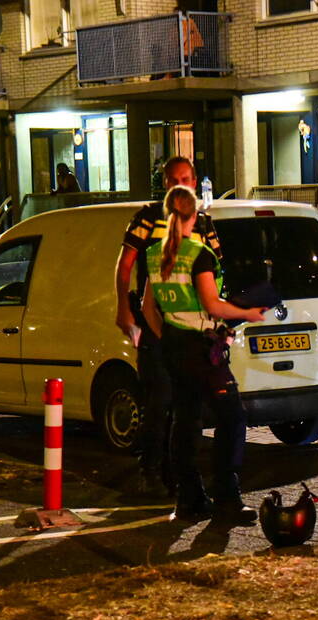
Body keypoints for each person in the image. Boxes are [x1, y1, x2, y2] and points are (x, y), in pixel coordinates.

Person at [143, 185, 265, 524]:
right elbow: (212, 304)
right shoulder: (199, 253)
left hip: (172, 346)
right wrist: (248, 313)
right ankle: (227, 496)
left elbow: (148, 308)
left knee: (185, 420)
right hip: (200, 349)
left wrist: (169, 336)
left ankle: (189, 498)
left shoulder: (155, 253)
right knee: (233, 417)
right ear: (194, 216)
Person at [114, 156, 220, 498]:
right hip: (156, 323)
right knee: (159, 399)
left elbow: (216, 269)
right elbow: (126, 263)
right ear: (165, 184)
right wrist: (123, 309)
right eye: (174, 179)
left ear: (194, 182)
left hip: (190, 327)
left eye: (186, 178)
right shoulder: (147, 218)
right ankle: (150, 471)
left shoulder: (203, 222)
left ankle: (181, 475)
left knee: (188, 404)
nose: (180, 184)